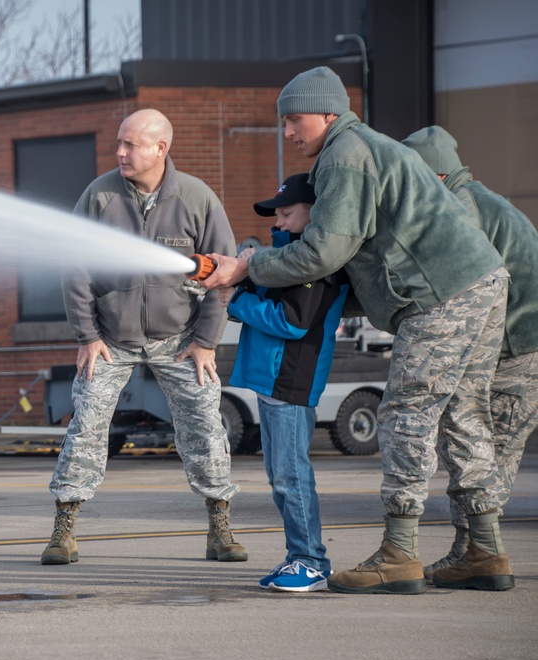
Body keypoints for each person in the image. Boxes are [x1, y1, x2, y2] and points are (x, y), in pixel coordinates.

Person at [200, 66, 512, 594]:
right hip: (481, 282)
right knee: (462, 413)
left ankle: (400, 552)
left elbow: (324, 253)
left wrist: (245, 269)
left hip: (441, 296)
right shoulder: (369, 148)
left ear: (327, 112)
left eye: (294, 119)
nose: (288, 132)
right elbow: (349, 272)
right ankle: (483, 549)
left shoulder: (344, 155)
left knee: (405, 413)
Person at [42, 108, 243, 566]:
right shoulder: (99, 197)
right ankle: (63, 531)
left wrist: (207, 340)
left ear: (160, 148)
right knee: (85, 428)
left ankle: (220, 529)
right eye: (119, 142)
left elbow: (224, 275)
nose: (120, 152)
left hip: (181, 339)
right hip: (110, 339)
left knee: (206, 428)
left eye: (130, 144)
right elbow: (75, 269)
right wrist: (87, 335)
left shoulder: (197, 199)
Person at [401, 125, 538, 585]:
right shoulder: (479, 198)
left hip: (517, 352)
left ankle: (481, 556)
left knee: (484, 448)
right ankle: (471, 552)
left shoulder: (463, 208)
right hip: (517, 347)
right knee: (483, 448)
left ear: (434, 176)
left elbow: (456, 284)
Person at [227, 173, 349, 592]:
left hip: (291, 383)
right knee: (280, 477)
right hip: (271, 383)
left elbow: (291, 322)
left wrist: (237, 301)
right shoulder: (284, 262)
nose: (277, 222)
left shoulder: (317, 267)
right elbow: (267, 301)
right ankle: (299, 556)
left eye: (286, 213)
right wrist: (245, 274)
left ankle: (312, 561)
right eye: (275, 214)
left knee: (291, 476)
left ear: (316, 214)